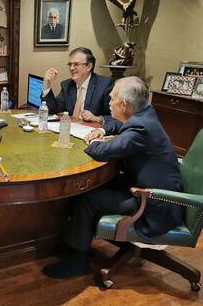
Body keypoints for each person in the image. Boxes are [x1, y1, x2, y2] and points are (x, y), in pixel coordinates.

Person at [43, 76, 184, 279]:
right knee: (92, 188)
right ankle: (75, 241)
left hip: (153, 202)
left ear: (124, 104)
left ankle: (78, 261)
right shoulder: (145, 115)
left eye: (111, 100)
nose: (108, 103)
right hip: (147, 187)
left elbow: (103, 151)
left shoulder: (140, 129)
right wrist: (101, 129)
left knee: (87, 197)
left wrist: (92, 142)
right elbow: (118, 125)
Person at [42, 47, 113, 124]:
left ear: (89, 67)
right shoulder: (67, 85)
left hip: (93, 131)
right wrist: (46, 85)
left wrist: (96, 118)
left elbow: (117, 117)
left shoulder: (105, 85)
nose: (71, 68)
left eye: (76, 64)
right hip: (72, 129)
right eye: (70, 64)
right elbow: (53, 109)